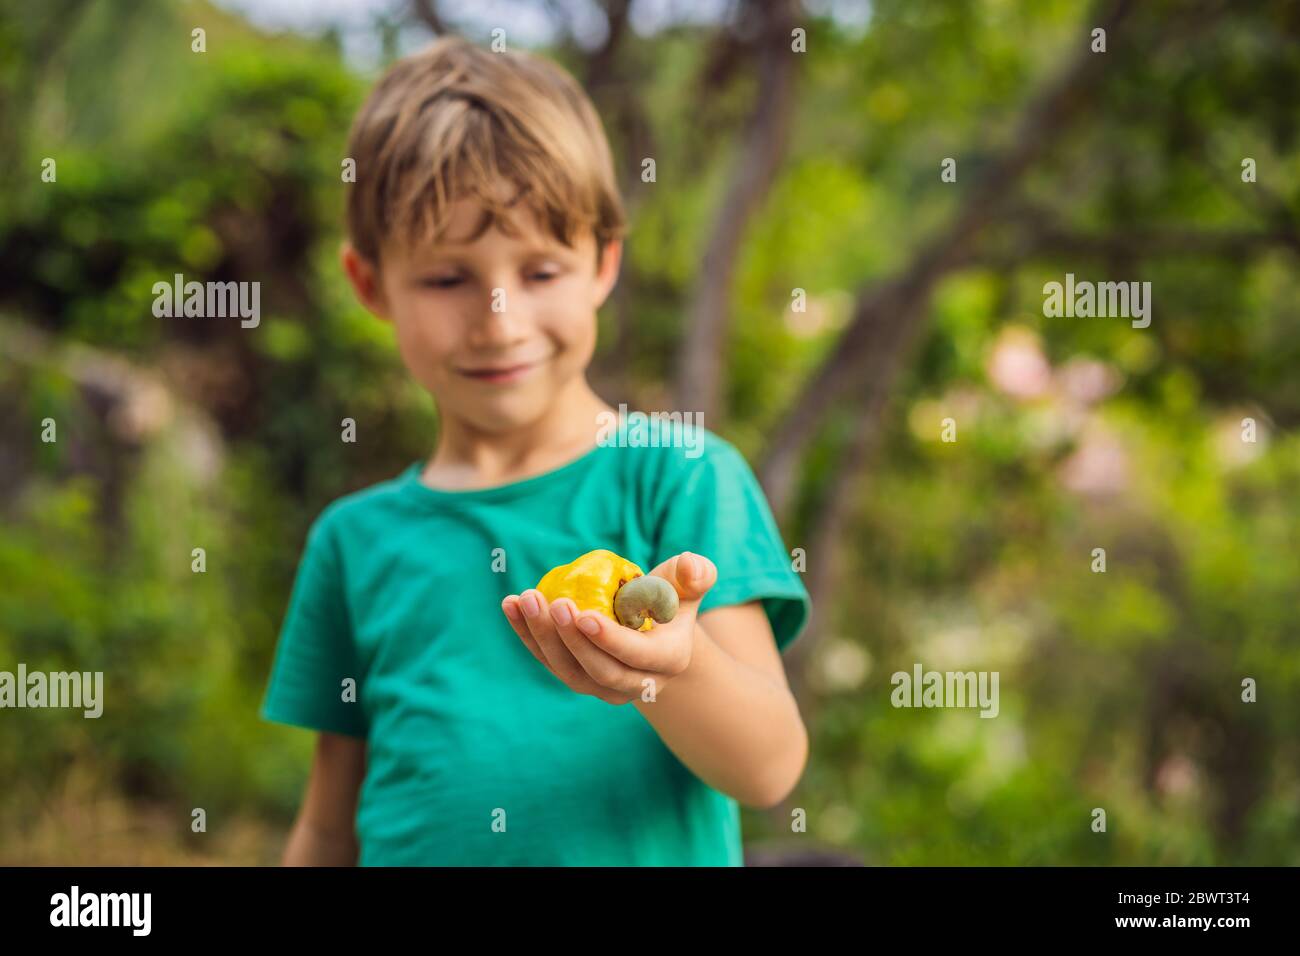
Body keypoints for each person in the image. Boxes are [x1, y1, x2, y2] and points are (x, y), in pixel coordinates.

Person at [260, 35, 811, 866]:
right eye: (448, 279)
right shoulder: (352, 541)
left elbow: (768, 767)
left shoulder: (682, 479)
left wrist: (672, 668)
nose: (499, 321)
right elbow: (330, 826)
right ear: (370, 284)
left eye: (542, 272)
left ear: (603, 265)